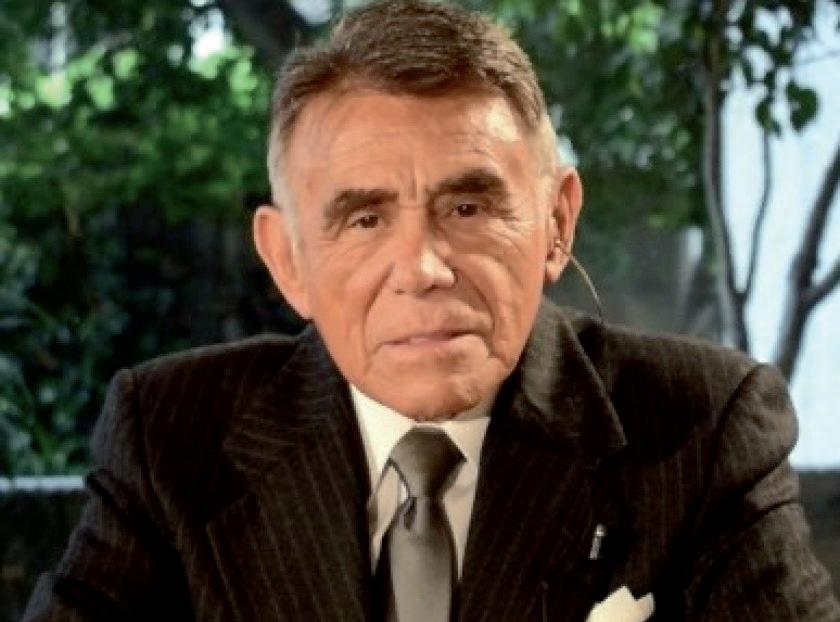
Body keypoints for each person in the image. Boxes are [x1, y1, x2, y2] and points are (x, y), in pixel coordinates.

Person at [23, 1, 840, 621]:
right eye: (365, 219)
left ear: (557, 224)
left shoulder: (702, 429)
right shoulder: (170, 438)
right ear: (287, 260)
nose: (421, 269)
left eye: (468, 208)